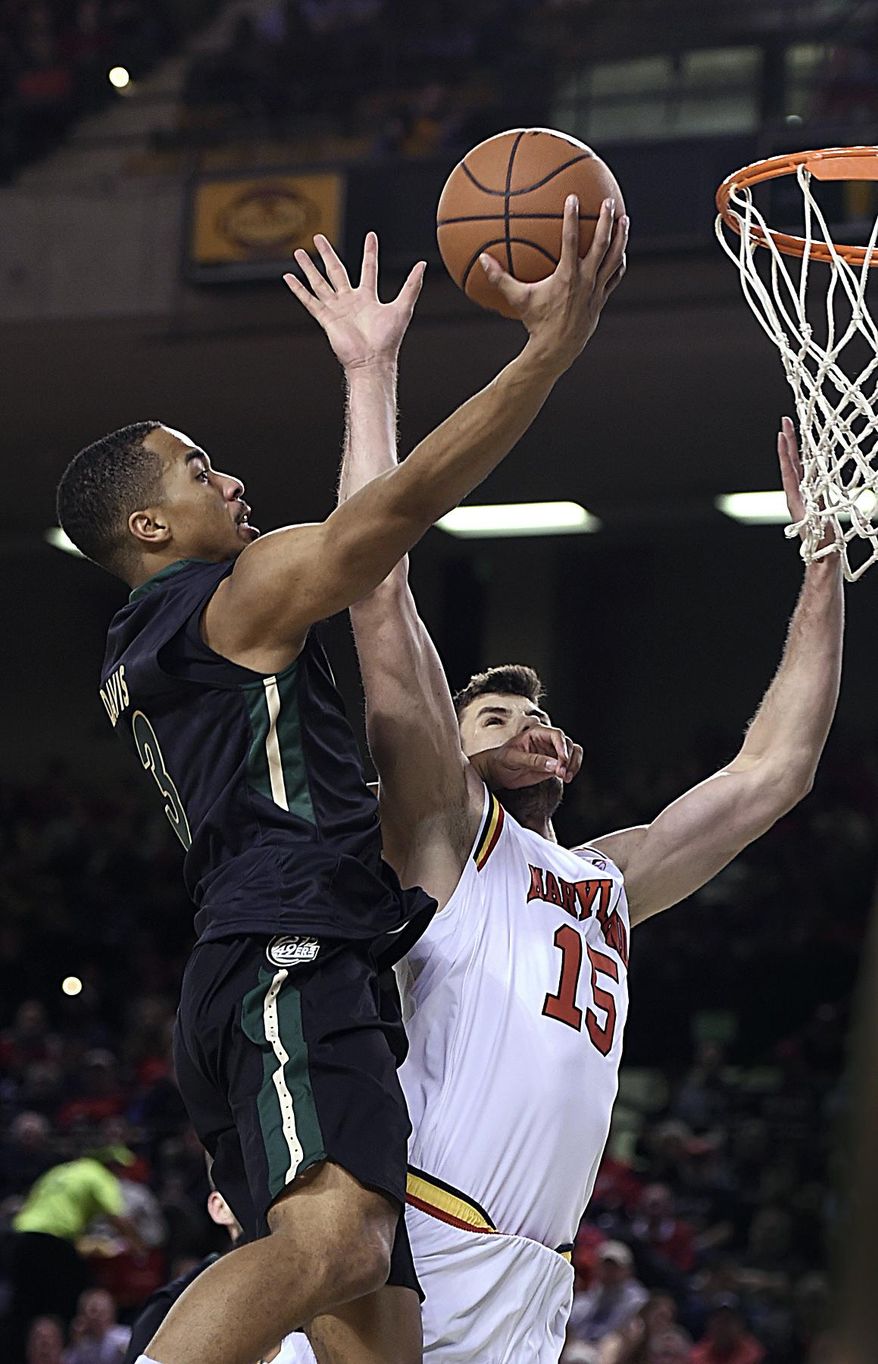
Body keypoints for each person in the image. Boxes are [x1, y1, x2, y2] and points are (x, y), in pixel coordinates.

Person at [54, 197, 626, 1364]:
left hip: (276, 963)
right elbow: (397, 516)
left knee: (376, 1329)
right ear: (150, 523)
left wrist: (370, 374)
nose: (229, 479)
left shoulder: (161, 638)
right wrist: (547, 351)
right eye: (198, 467)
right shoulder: (232, 599)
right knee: (342, 1250)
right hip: (288, 955)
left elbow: (377, 562)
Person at [305, 224, 842, 1362]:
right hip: (422, 1240)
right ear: (450, 754)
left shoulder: (603, 879)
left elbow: (772, 773)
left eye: (536, 716)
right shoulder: (444, 832)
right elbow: (374, 580)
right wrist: (369, 373)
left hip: (533, 1277)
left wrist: (820, 562)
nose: (524, 724)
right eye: (491, 715)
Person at [567, 1241, 648, 1347]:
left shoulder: (637, 1301)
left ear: (628, 1270)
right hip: (583, 1347)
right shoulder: (588, 1296)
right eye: (606, 1266)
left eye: (615, 1267)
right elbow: (574, 1323)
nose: (610, 1272)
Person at [63, 1288, 131, 1364]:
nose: (97, 1316)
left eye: (102, 1311)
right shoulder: (82, 1343)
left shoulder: (124, 1337)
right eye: (93, 1311)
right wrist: (75, 1342)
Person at [690, 1297, 765, 1364]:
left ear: (740, 1325)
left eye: (728, 1321)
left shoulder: (755, 1355)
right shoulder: (697, 1355)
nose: (723, 1327)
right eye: (718, 1321)